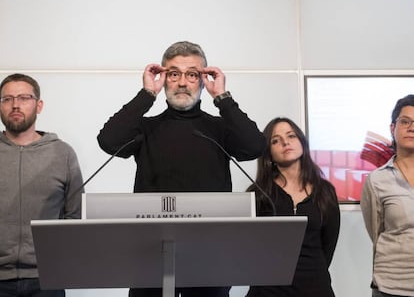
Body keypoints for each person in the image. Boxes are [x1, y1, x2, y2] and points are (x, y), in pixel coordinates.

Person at [97, 41, 265, 297]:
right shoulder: (146, 129)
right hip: (149, 262)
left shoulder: (218, 129)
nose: (183, 83)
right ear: (163, 79)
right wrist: (146, 94)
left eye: (192, 74)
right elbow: (108, 141)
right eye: (174, 74)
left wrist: (221, 97)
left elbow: (254, 146)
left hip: (209, 263)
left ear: (202, 79)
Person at [0, 73, 84, 297]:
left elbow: (75, 216)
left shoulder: (62, 153)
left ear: (39, 105)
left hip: (46, 281)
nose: (15, 105)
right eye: (7, 99)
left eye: (24, 98)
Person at [245, 117, 340, 297]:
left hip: (315, 287)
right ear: (269, 153)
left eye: (291, 136)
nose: (285, 142)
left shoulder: (325, 191)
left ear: (302, 143)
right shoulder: (257, 194)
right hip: (268, 290)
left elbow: (328, 245)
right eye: (275, 140)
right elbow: (249, 249)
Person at [361, 94, 414, 297]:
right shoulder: (377, 180)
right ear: (393, 128)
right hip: (391, 286)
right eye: (405, 121)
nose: (411, 127)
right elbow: (376, 232)